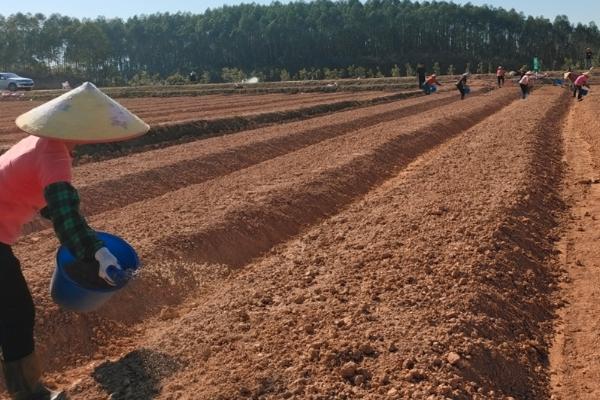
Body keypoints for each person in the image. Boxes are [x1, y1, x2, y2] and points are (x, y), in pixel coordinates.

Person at [0, 82, 150, 399]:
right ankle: (30, 394)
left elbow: (54, 210)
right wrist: (97, 254)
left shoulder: (38, 143)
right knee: (16, 311)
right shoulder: (55, 157)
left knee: (10, 310)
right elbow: (66, 217)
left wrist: (92, 244)